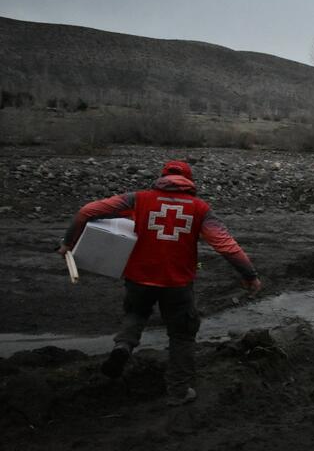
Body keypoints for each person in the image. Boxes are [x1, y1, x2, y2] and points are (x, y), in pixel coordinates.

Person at [58, 160, 261, 406]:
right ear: (189, 181)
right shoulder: (200, 208)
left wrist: (69, 242)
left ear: (162, 177)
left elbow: (86, 212)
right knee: (182, 334)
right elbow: (226, 245)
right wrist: (249, 276)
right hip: (177, 283)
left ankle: (123, 346)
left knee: (136, 313)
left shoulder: (138, 199)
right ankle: (178, 391)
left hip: (139, 278)